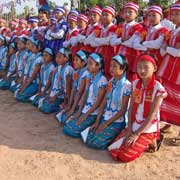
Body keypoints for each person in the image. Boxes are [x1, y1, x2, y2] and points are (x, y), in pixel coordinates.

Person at [108, 54, 167, 163]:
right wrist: (129, 128)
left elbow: (152, 115)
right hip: (135, 124)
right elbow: (131, 109)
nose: (142, 70)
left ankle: (152, 140)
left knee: (124, 156)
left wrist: (136, 134)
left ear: (154, 68)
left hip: (147, 127)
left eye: (146, 67)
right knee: (113, 148)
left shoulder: (158, 89)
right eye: (139, 67)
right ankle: (148, 141)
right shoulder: (135, 84)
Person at [84, 54, 131, 150]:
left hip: (117, 121)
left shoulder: (127, 86)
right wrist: (97, 122)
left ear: (123, 68)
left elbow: (122, 111)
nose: (111, 68)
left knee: (96, 143)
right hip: (106, 117)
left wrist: (105, 124)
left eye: (114, 66)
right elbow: (103, 103)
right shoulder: (110, 82)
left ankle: (117, 134)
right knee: (89, 137)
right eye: (110, 66)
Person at [63, 52, 107, 138]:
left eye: (91, 64)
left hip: (93, 113)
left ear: (98, 66)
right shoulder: (89, 76)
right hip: (85, 109)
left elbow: (98, 103)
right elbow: (84, 94)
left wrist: (85, 115)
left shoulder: (102, 80)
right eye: (88, 63)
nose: (88, 66)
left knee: (71, 130)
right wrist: (79, 111)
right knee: (66, 122)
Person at [157, 2, 180, 145]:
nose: (174, 16)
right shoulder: (172, 32)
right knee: (167, 98)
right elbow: (164, 48)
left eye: (177, 14)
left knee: (178, 99)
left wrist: (169, 49)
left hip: (177, 72)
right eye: (173, 14)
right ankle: (169, 123)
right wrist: (170, 48)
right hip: (167, 69)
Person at [110, 2, 142, 81]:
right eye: (125, 12)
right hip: (120, 55)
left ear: (136, 13)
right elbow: (112, 42)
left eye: (130, 12)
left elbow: (131, 43)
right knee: (119, 75)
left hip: (132, 56)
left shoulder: (138, 27)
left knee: (130, 78)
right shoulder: (120, 26)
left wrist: (119, 41)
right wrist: (122, 39)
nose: (127, 14)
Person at [56, 50, 88, 124]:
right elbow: (73, 89)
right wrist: (69, 105)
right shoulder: (77, 72)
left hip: (82, 103)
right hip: (76, 101)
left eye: (77, 60)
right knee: (63, 116)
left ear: (83, 63)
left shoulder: (86, 74)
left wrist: (72, 109)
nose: (74, 62)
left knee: (68, 123)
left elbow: (81, 93)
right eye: (74, 60)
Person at [39, 47, 73, 113]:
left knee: (45, 108)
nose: (57, 59)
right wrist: (49, 94)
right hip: (57, 93)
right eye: (57, 57)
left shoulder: (68, 69)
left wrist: (65, 101)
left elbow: (68, 88)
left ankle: (65, 104)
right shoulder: (58, 67)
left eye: (59, 57)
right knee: (39, 103)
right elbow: (53, 83)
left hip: (63, 96)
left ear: (66, 58)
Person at [90, 6, 116, 79]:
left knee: (107, 75)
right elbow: (91, 43)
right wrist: (102, 40)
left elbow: (108, 41)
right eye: (103, 15)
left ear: (112, 17)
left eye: (107, 15)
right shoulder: (99, 28)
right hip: (98, 54)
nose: (104, 17)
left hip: (108, 55)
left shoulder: (114, 28)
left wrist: (97, 40)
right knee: (97, 74)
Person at [16, 38, 43, 102]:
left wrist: (25, 85)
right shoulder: (33, 55)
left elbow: (33, 75)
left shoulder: (40, 59)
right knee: (17, 92)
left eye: (33, 46)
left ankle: (33, 95)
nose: (31, 48)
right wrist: (24, 83)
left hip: (35, 82)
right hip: (29, 81)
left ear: (39, 48)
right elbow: (27, 71)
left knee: (21, 96)